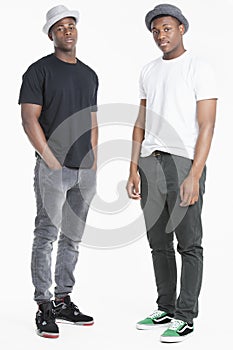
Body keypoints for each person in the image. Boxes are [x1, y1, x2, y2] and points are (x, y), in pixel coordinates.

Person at [126, 3, 217, 343]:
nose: (161, 34)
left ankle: (186, 315)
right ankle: (165, 306)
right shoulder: (148, 70)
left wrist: (194, 174)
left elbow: (207, 124)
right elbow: (140, 123)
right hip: (150, 161)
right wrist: (133, 167)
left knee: (189, 243)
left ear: (181, 28)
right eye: (155, 30)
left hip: (182, 163)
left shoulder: (199, 67)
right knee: (158, 242)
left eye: (167, 28)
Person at [19, 5, 98, 339]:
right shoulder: (38, 71)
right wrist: (51, 160)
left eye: (71, 26)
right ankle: (44, 304)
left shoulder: (90, 74)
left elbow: (93, 118)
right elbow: (28, 118)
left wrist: (94, 158)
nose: (67, 31)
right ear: (51, 34)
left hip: (86, 169)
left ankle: (64, 299)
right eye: (60, 27)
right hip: (54, 168)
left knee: (73, 238)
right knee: (47, 234)